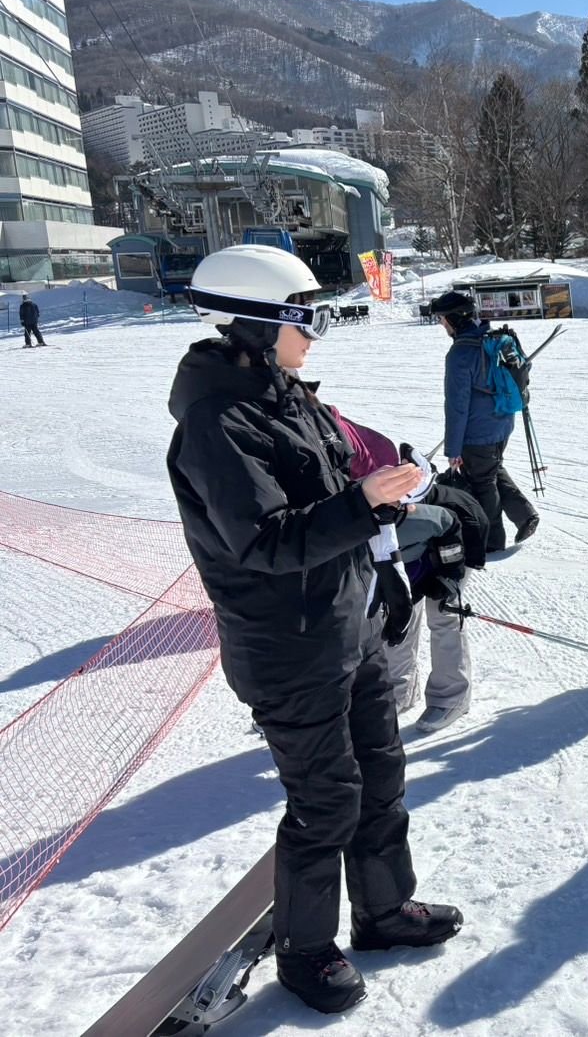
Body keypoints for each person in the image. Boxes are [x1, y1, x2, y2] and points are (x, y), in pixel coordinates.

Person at [165, 245, 461, 1015]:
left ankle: (384, 910)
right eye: (308, 318)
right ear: (256, 323)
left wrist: (387, 510)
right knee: (326, 801)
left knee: (381, 776)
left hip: (345, 623)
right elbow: (265, 540)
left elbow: (337, 490)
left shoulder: (284, 395)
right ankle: (305, 950)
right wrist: (362, 503)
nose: (317, 333)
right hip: (288, 648)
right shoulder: (217, 422)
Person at [331, 409, 488, 734]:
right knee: (398, 621)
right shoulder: (352, 496)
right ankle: (400, 691)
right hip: (411, 559)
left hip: (452, 555)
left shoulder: (429, 513)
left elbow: (463, 531)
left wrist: (448, 576)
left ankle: (451, 697)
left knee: (444, 618)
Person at [431, 290, 538, 553]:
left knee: (482, 483)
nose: (441, 324)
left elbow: (457, 406)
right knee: (490, 468)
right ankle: (524, 515)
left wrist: (453, 449)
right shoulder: (492, 340)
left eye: (442, 319)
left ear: (454, 319)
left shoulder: (460, 354)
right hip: (502, 424)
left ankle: (492, 542)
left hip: (477, 432)